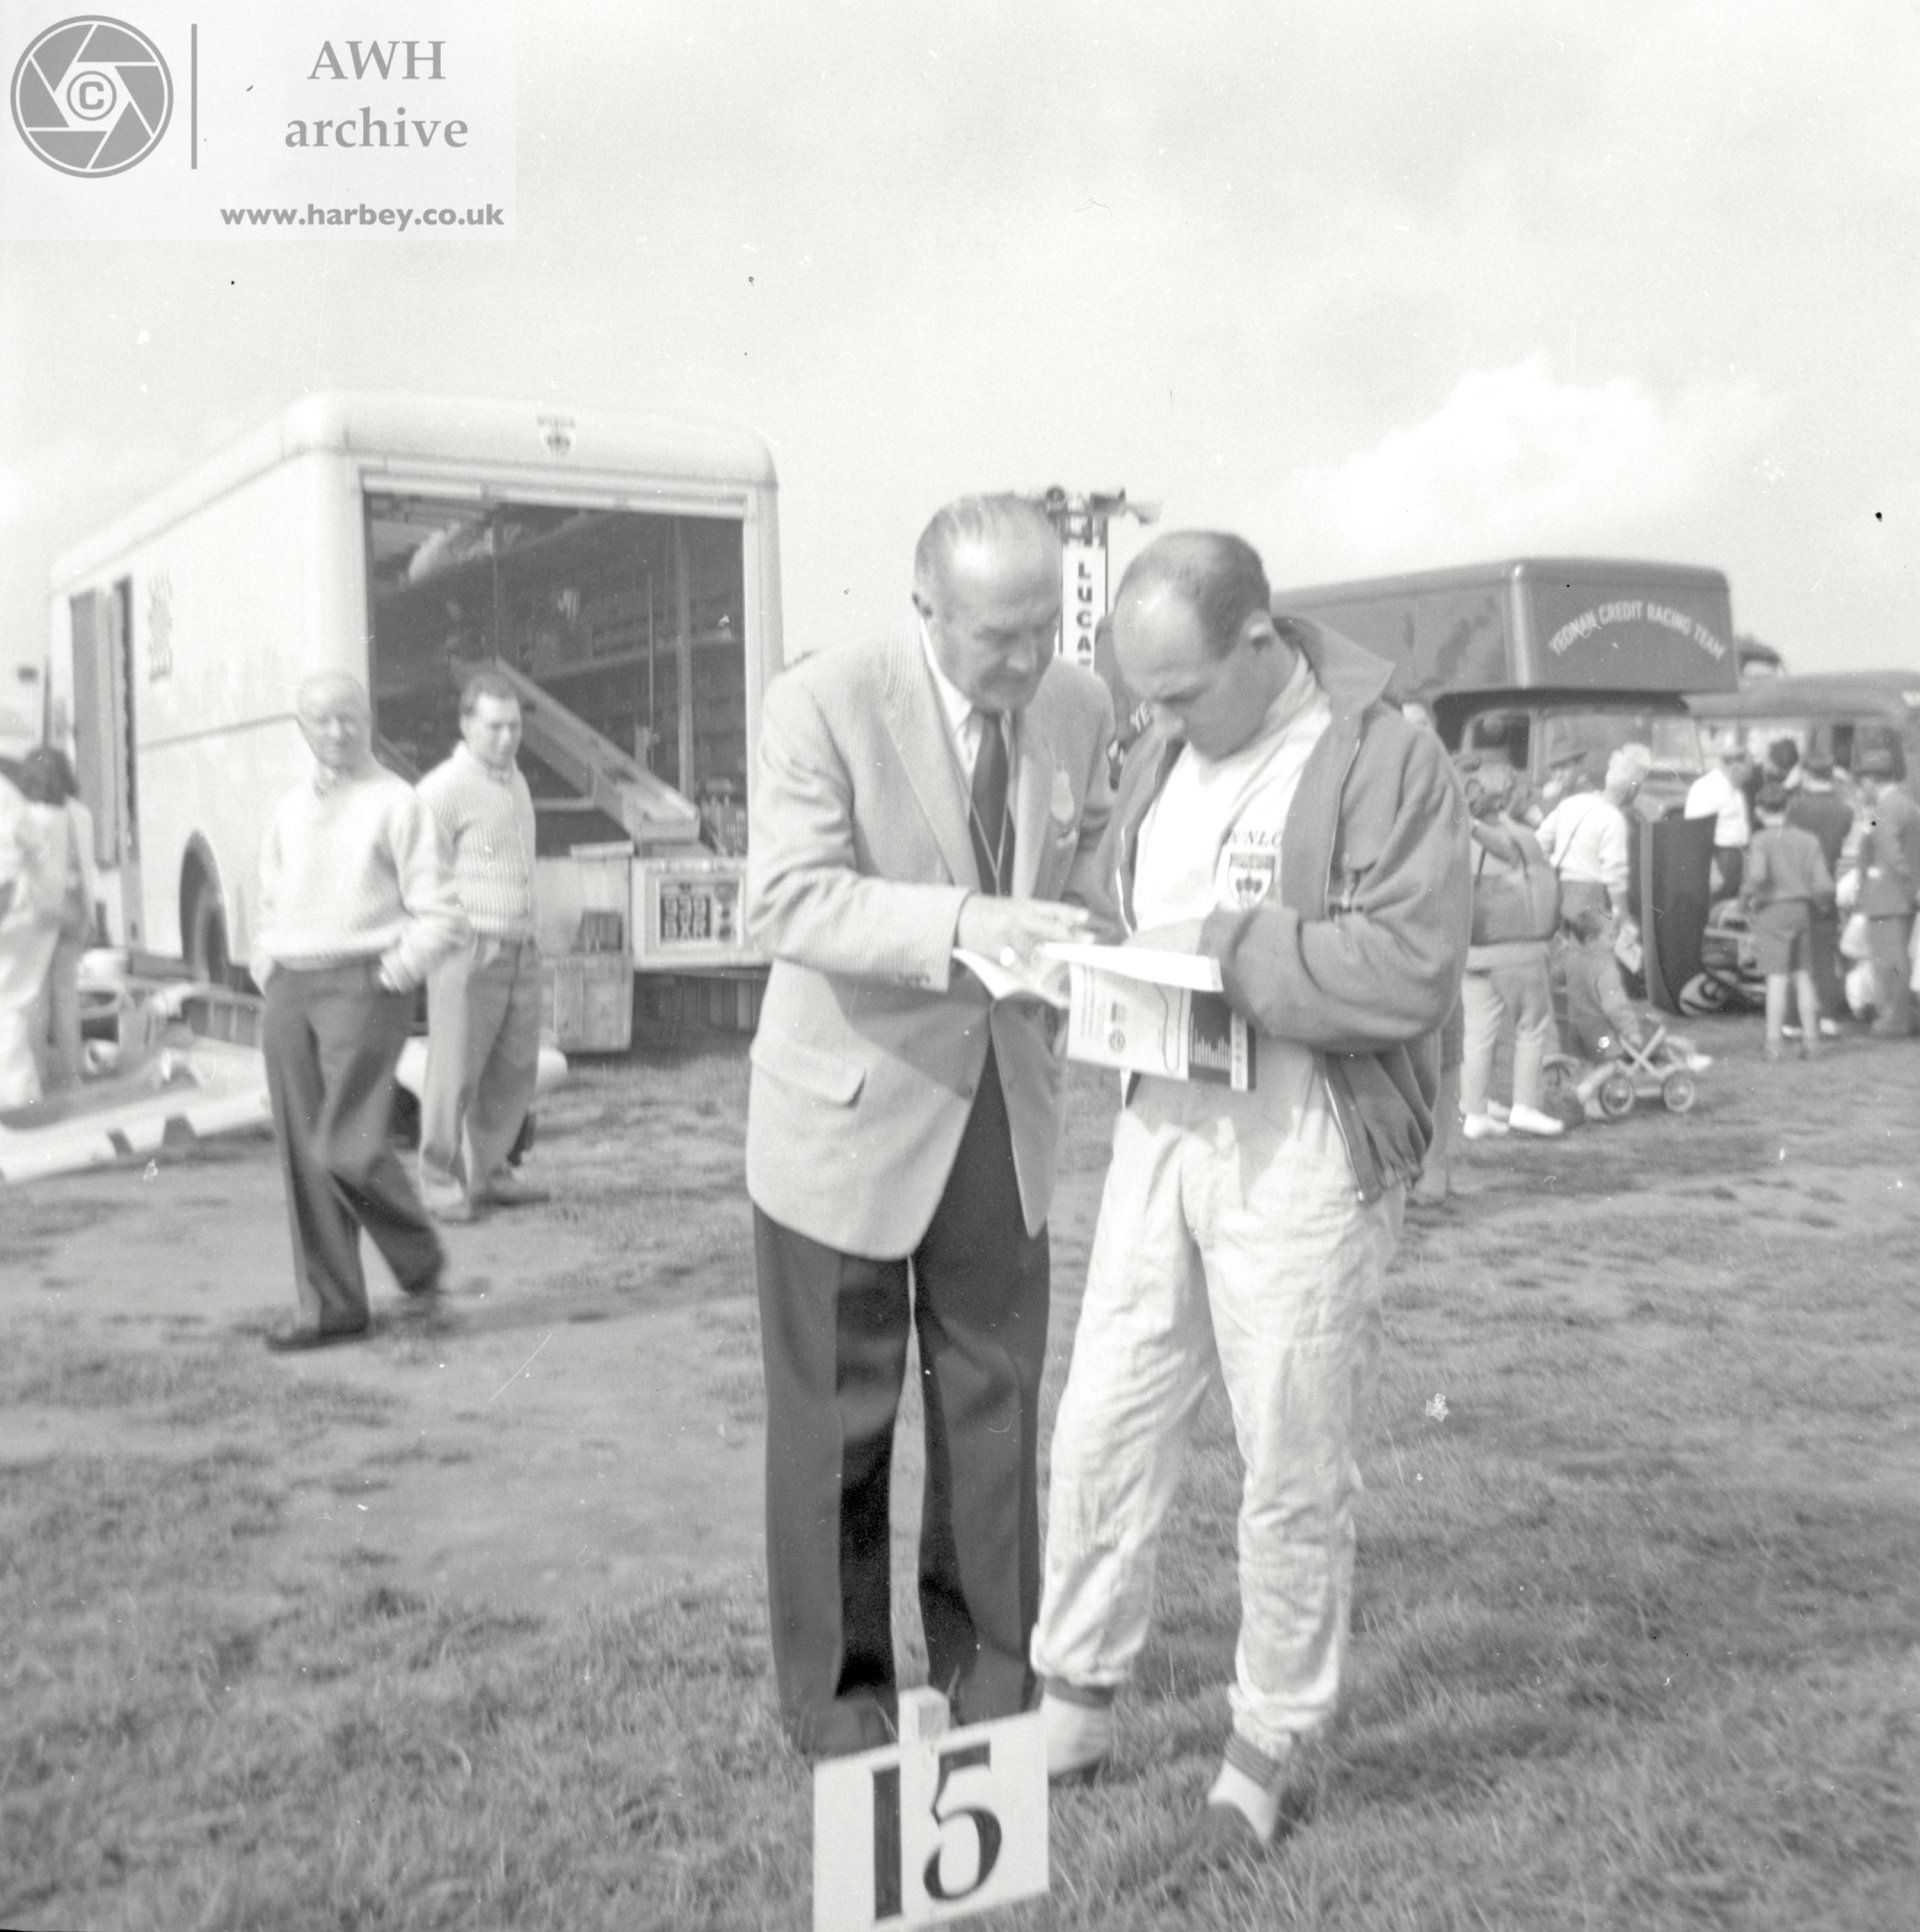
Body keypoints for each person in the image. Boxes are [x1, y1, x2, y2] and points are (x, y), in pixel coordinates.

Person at [1031, 533, 1469, 1850]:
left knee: (1288, 1451)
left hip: (1306, 1145)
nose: (1151, 724)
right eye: (1140, 699)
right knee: (1103, 1417)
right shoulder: (1165, 752)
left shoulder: (1388, 756)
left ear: (1264, 643)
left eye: (1177, 693)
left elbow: (1409, 968)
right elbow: (1125, 897)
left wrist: (1221, 952)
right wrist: (1088, 951)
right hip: (1162, 1132)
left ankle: (1268, 1739)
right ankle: (1075, 1692)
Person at [744, 494, 1117, 1758]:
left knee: (997, 1414)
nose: (1026, 663)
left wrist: (1092, 948)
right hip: (844, 1127)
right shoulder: (819, 701)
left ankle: (992, 1693)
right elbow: (788, 899)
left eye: (1043, 630)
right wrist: (965, 926)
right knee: (838, 1432)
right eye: (996, 638)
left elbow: (1087, 878)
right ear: (922, 611)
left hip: (1000, 1123)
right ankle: (839, 1710)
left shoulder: (1078, 705)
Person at [252, 672, 469, 1351]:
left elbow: (442, 915)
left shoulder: (397, 803)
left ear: (369, 721)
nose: (338, 732)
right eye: (323, 721)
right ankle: (331, 1308)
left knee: (346, 1148)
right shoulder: (288, 810)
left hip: (364, 985)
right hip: (291, 986)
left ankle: (420, 1264)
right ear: (302, 730)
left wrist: (394, 973)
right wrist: (269, 966)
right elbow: (269, 899)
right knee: (303, 1155)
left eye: (350, 718)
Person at [415, 672, 546, 1221]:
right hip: (470, 950)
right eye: (493, 726)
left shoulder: (515, 782)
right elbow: (417, 871)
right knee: (454, 1072)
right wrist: (450, 933)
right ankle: (438, 1183)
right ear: (467, 724)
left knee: (513, 1069)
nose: (505, 737)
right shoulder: (442, 788)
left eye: (514, 725)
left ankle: (491, 1172)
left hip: (520, 945)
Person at [1455, 755, 1563, 1141]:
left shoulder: (1455, 838)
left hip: (1473, 949)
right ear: (1506, 798)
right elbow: (1526, 864)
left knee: (1478, 1032)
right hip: (1518, 947)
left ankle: (1474, 1111)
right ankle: (1525, 1106)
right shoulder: (1517, 838)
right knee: (1532, 1026)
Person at [18, 745, 98, 1090]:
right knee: (66, 994)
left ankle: (37, 1074)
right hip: (74, 909)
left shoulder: (25, 817)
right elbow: (88, 866)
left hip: (39, 914)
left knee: (35, 996)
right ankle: (72, 1072)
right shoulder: (79, 814)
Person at [1743, 782, 1834, 1061]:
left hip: (1773, 911)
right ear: (1788, 808)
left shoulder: (1761, 839)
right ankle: (1811, 1041)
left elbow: (1757, 877)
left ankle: (1773, 1044)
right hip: (1802, 911)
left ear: (1759, 811)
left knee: (1776, 978)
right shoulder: (1808, 840)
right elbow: (1824, 884)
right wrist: (1820, 904)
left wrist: (1747, 898)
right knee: (1803, 976)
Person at [1538, 743, 1649, 931]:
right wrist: (1622, 915)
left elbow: (1539, 841)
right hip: (1590, 898)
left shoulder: (1571, 803)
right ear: (1634, 790)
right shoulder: (1614, 819)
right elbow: (1615, 877)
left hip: (1559, 893)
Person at [1851, 749, 1920, 1038]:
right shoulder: (1903, 804)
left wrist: (1909, 887)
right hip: (1895, 894)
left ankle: (1893, 1020)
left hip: (1888, 894)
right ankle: (1897, 1016)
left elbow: (1891, 854)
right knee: (1894, 958)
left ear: (1871, 780)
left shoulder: (1885, 808)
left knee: (1889, 961)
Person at [0, 764, 58, 1108]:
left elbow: (8, 862)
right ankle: (18, 1096)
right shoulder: (8, 795)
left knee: (9, 1006)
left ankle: (18, 1100)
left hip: (19, 914)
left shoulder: (4, 799)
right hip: (25, 909)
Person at [1785, 758, 1852, 1036]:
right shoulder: (1844, 810)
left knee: (1795, 954)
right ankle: (1827, 1016)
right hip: (1826, 885)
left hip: (1797, 885)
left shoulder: (1795, 806)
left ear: (1807, 775)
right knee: (1825, 954)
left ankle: (1793, 1020)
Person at [1685, 746, 1754, 899]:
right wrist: (1712, 871)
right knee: (1713, 909)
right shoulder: (1705, 788)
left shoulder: (1737, 790)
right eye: (1748, 772)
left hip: (1736, 857)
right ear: (1736, 768)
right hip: (1718, 858)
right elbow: (1695, 833)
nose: (1749, 777)